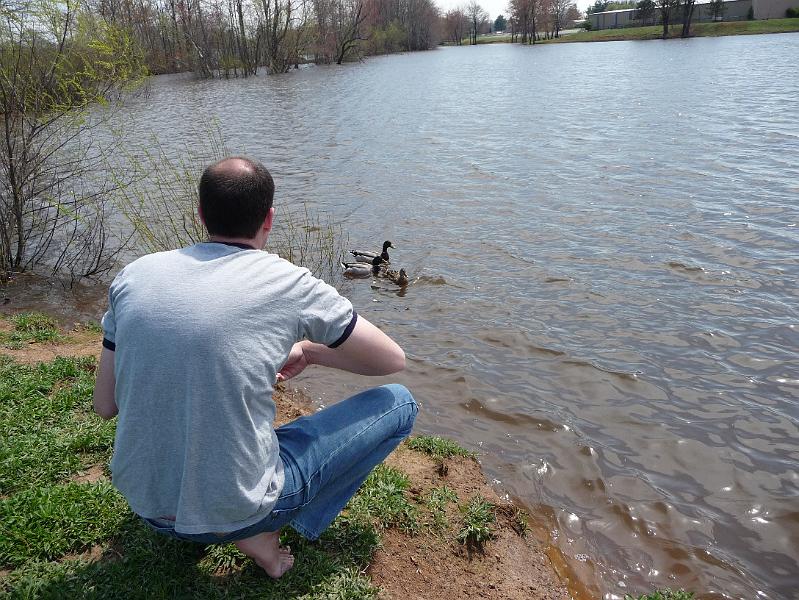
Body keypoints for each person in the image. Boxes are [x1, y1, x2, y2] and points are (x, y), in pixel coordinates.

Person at [92, 156, 417, 578]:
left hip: (147, 508)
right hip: (238, 512)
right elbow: (392, 359)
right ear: (269, 218)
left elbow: (104, 406)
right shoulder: (287, 281)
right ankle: (264, 530)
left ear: (201, 214)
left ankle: (234, 515)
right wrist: (313, 352)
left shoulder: (133, 276)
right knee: (399, 402)